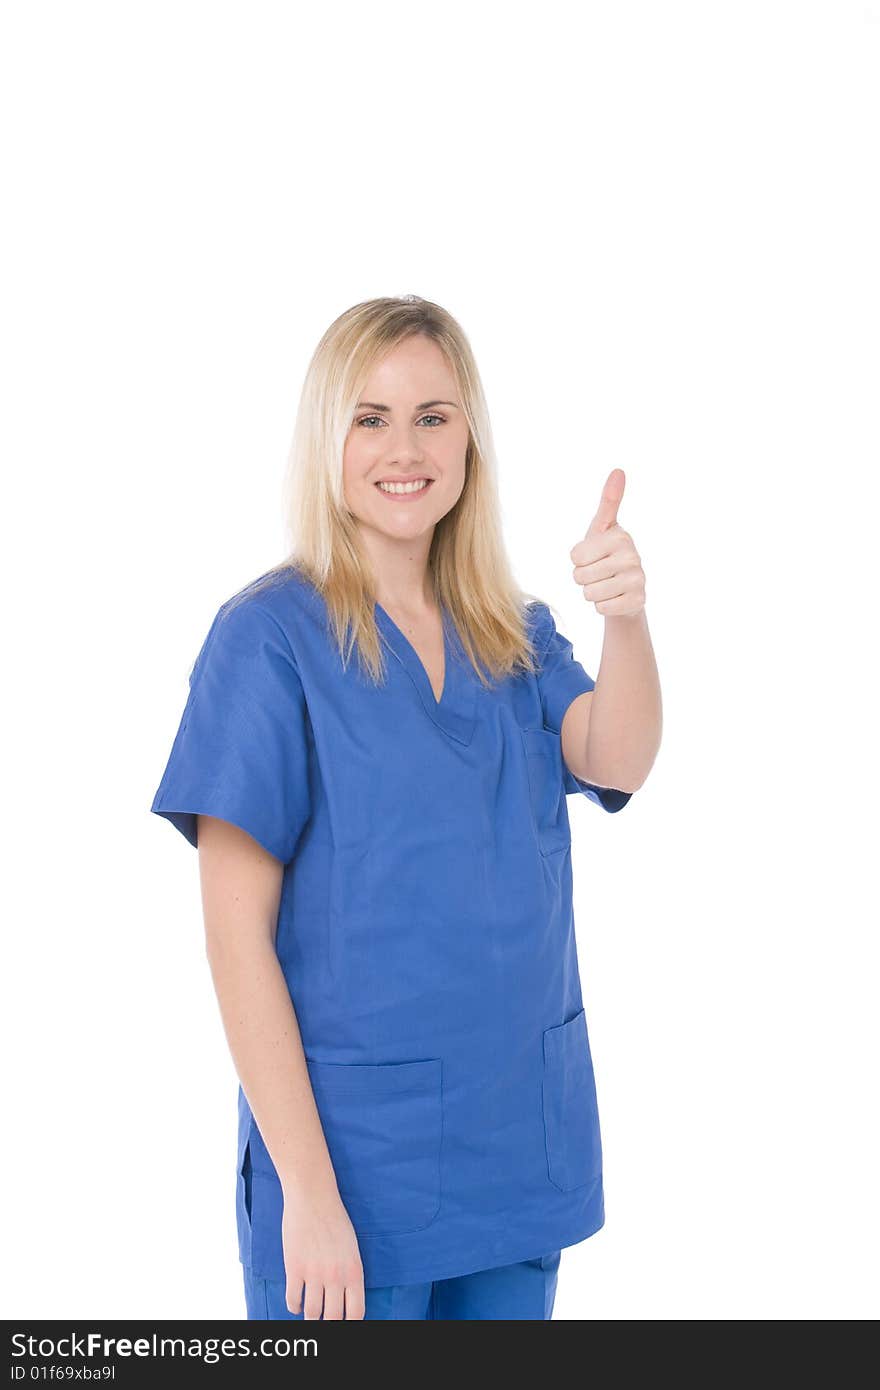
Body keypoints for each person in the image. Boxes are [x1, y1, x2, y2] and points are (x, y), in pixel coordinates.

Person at [150, 295, 661, 1321]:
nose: (404, 447)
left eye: (433, 415)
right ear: (326, 441)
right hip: (354, 1179)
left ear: (470, 437)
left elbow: (618, 756)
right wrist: (307, 1192)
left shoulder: (513, 632)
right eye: (369, 417)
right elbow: (233, 937)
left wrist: (626, 620)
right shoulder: (267, 642)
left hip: (517, 1149)